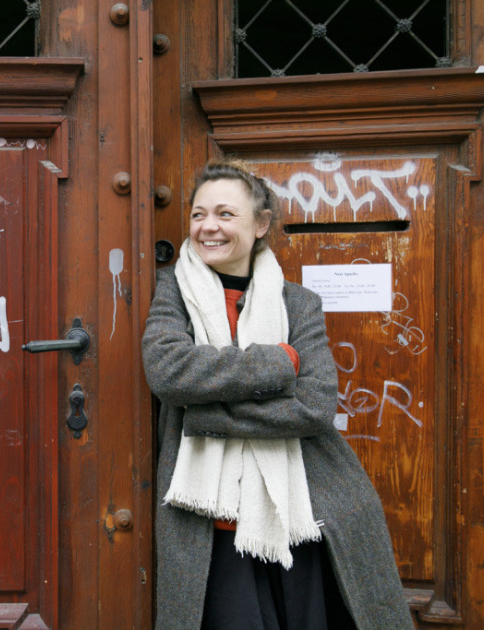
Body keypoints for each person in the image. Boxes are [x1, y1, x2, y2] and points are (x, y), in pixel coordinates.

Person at [142, 157, 413, 630]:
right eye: (198, 214)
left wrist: (205, 417)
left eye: (225, 214)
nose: (208, 227)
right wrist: (280, 362)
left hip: (298, 510)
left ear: (261, 224)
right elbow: (169, 372)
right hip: (210, 522)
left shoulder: (299, 304)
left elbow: (314, 406)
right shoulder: (172, 291)